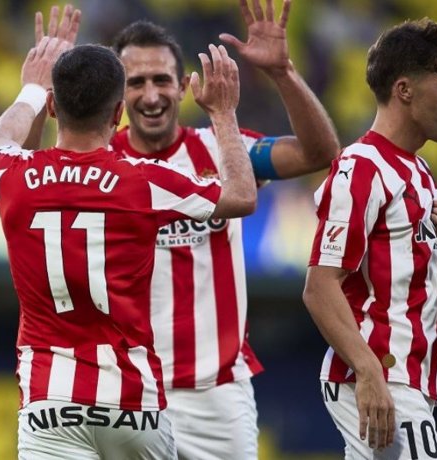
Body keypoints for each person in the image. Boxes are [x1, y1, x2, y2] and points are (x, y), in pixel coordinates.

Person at [0, 5, 258, 458]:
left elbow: (1, 139)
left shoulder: (12, 174)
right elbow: (242, 197)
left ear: (54, 106)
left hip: (49, 403)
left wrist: (32, 86)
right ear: (117, 113)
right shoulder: (143, 180)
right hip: (132, 404)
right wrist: (224, 114)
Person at [107, 0, 340, 458]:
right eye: (136, 82)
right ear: (118, 92)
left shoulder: (223, 148)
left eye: (161, 81)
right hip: (127, 389)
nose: (151, 95)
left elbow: (319, 153)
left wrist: (283, 73)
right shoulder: (102, 164)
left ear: (183, 86)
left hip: (216, 395)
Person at [303, 18, 437, 458]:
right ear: (405, 90)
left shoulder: (420, 173)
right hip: (382, 378)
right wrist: (368, 372)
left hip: (414, 383)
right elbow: (319, 286)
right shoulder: (362, 167)